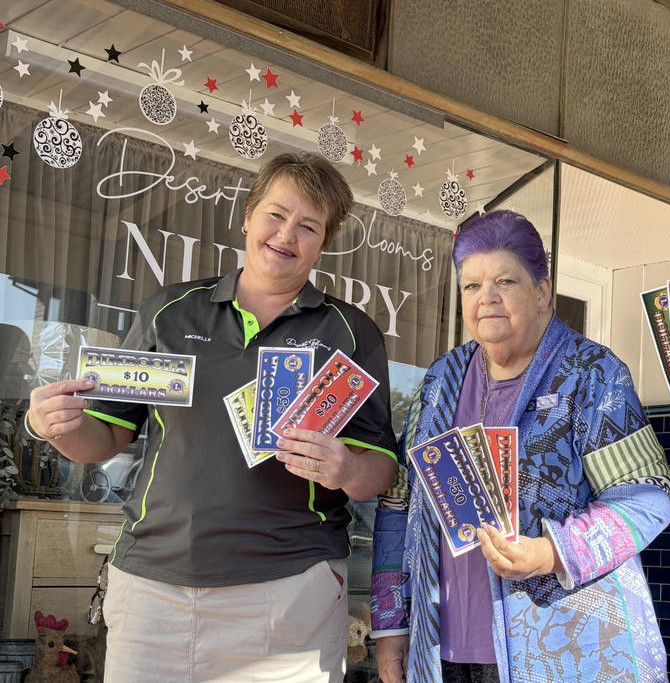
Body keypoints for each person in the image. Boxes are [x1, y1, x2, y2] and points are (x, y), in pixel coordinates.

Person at [24, 151, 399, 682]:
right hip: (154, 589)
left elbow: (379, 468)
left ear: (323, 244)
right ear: (247, 216)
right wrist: (56, 428)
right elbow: (106, 434)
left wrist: (344, 469)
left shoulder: (349, 332)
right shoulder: (170, 312)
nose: (286, 234)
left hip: (290, 594)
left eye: (308, 226)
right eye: (276, 214)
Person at [370, 210, 670, 683]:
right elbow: (397, 504)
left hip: (564, 645)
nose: (486, 298)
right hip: (442, 650)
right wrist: (390, 624)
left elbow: (648, 497)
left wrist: (552, 552)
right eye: (471, 286)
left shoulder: (592, 374)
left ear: (542, 292)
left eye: (505, 281)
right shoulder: (440, 381)